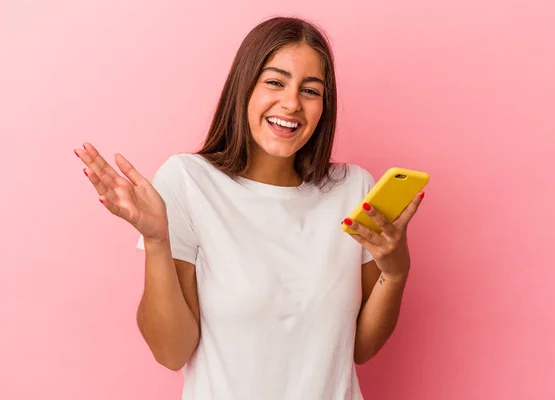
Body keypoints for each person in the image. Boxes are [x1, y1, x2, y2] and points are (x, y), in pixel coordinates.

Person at [74, 16, 424, 400]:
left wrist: (396, 270)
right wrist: (157, 240)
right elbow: (171, 352)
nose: (291, 104)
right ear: (244, 87)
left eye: (310, 90)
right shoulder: (189, 181)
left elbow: (359, 349)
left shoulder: (353, 189)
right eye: (275, 81)